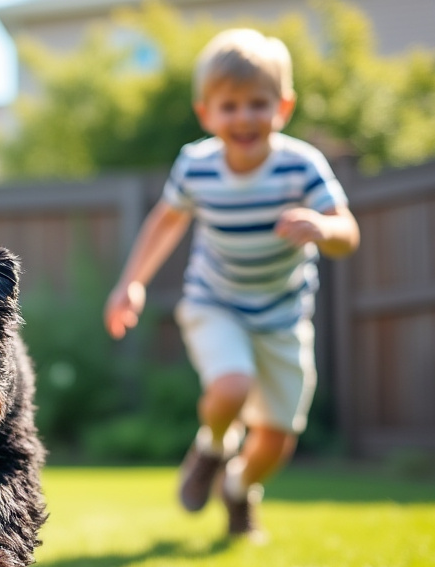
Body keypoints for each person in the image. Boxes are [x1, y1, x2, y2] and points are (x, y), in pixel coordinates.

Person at [103, 28, 359, 537]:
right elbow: (165, 223)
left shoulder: (301, 164)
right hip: (214, 301)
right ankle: (211, 449)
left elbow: (347, 232)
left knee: (277, 440)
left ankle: (240, 490)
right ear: (207, 113)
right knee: (231, 385)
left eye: (258, 104)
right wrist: (132, 282)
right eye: (230, 106)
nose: (244, 117)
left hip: (284, 315)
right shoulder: (197, 166)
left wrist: (323, 228)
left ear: (282, 106)